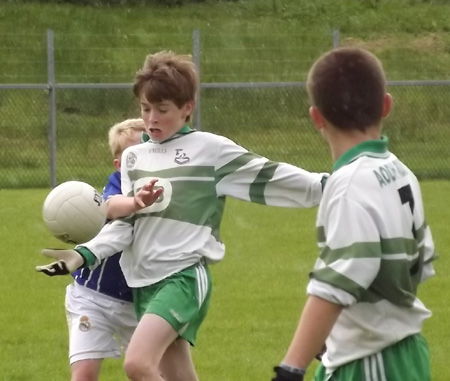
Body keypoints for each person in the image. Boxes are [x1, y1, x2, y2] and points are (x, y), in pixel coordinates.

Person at [36, 50, 328, 381]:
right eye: (145, 109)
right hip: (143, 285)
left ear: (187, 108)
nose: (151, 119)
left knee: (137, 364)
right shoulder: (133, 158)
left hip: (183, 278)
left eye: (162, 110)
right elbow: (125, 228)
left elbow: (272, 177)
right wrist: (81, 255)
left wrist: (336, 185)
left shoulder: (211, 150)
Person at [272, 47, 437, 381]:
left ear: (316, 117)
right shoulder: (400, 171)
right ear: (386, 105)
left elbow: (337, 284)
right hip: (403, 352)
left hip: (369, 361)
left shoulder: (349, 185)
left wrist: (291, 369)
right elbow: (422, 259)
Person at [65, 118, 145, 381]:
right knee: (84, 375)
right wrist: (135, 203)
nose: (143, 157)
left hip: (139, 303)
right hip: (91, 296)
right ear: (119, 164)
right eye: (134, 154)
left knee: (148, 372)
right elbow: (110, 207)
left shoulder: (165, 187)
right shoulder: (115, 187)